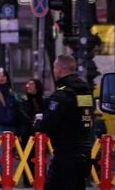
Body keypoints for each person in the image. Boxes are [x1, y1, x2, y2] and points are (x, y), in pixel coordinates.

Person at [35, 55, 94, 190]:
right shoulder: (84, 91)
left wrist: (37, 125)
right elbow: (85, 115)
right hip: (84, 151)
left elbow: (48, 123)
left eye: (55, 68)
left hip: (65, 154)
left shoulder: (62, 95)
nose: (54, 71)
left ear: (61, 69)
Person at [18, 78, 46, 142]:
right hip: (27, 132)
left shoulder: (43, 101)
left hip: (40, 132)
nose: (28, 86)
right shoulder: (24, 101)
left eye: (31, 84)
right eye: (28, 84)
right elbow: (22, 114)